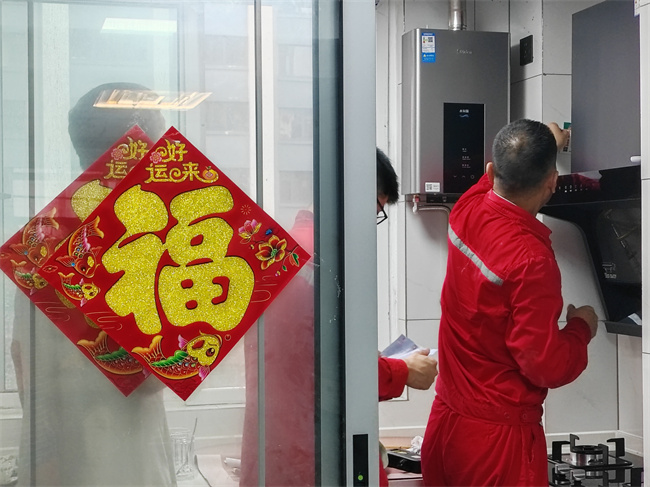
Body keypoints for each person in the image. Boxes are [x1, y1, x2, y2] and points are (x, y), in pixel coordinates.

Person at [239, 148, 438, 487]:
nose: (371, 224)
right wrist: (404, 370)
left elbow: (304, 356)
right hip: (317, 458)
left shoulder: (277, 251)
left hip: (273, 453)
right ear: (355, 193)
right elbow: (337, 374)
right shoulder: (329, 262)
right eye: (376, 210)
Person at [10, 82, 176, 486]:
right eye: (159, 145)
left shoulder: (44, 239)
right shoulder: (131, 245)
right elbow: (154, 375)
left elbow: (23, 366)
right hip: (125, 462)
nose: (167, 159)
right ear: (132, 149)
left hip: (62, 459)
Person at [420, 119, 598, 487]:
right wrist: (582, 328)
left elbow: (503, 171)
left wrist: (548, 141)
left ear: (489, 171)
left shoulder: (467, 207)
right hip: (496, 446)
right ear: (552, 182)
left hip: (445, 427)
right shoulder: (532, 261)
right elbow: (544, 365)